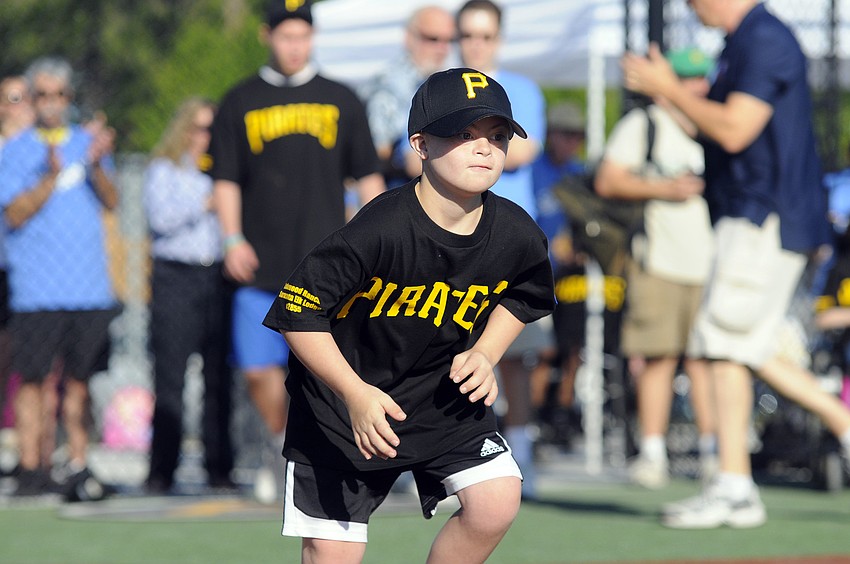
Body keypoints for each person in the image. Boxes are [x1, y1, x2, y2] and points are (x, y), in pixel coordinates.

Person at [263, 66, 555, 564]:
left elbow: (523, 296)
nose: (484, 148)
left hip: (441, 397)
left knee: (496, 497)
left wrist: (485, 353)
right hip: (343, 409)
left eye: (498, 136)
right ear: (420, 144)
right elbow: (298, 313)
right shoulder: (379, 228)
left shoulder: (516, 232)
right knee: (333, 555)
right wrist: (354, 394)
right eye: (464, 134)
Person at [623, 0, 850, 528]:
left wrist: (668, 87)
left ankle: (734, 487)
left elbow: (734, 130)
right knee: (746, 346)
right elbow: (717, 130)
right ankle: (812, 438)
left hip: (761, 217)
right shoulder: (743, 41)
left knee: (722, 344)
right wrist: (666, 91)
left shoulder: (763, 37)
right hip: (750, 215)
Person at [208, 0, 385, 504]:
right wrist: (231, 238)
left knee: (332, 371)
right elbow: (225, 179)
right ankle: (276, 443)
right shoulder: (240, 100)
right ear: (267, 35)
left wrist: (375, 241)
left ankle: (331, 458)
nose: (294, 45)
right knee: (259, 369)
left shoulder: (342, 99)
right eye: (285, 35)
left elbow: (368, 177)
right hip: (261, 265)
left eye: (302, 35)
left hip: (330, 272)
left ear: (313, 36)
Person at [595, 48, 717, 490]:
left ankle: (713, 453)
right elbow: (607, 180)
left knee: (708, 360)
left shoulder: (713, 123)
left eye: (701, 76)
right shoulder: (642, 125)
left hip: (712, 262)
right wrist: (666, 188)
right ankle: (652, 454)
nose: (697, 85)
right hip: (659, 259)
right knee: (659, 357)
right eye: (686, 78)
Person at [0, 56, 118, 498]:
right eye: (42, 95)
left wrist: (97, 164)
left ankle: (79, 464)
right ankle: (32, 465)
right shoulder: (16, 151)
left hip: (88, 289)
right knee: (32, 382)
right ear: (32, 99)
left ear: (70, 98)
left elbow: (111, 201)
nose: (52, 104)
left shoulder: (87, 144)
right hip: (37, 291)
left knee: (81, 385)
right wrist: (50, 178)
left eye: (60, 95)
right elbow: (13, 212)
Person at [450, 0, 548, 499]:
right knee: (443, 345)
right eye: (468, 34)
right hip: (450, 241)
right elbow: (411, 151)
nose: (476, 44)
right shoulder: (439, 89)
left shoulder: (522, 90)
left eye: (485, 36)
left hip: (507, 241)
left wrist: (463, 145)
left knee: (512, 354)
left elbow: (527, 148)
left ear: (499, 39)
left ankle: (521, 446)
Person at [142, 97, 235, 494]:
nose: (206, 138)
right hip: (175, 277)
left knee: (219, 378)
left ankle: (219, 468)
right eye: (199, 129)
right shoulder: (165, 170)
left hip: (216, 276)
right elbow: (160, 220)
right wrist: (205, 202)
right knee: (170, 378)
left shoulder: (226, 171)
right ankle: (162, 470)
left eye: (212, 130)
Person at [529, 101, 587, 431]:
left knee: (573, 346)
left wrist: (578, 246)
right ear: (551, 135)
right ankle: (535, 415)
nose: (570, 142)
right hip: (540, 270)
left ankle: (562, 410)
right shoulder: (533, 170)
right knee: (543, 349)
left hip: (572, 273)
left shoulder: (580, 173)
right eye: (565, 134)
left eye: (577, 135)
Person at [358, 5, 456, 188]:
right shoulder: (388, 87)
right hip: (399, 196)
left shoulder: (447, 82)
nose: (442, 49)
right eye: (433, 39)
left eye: (449, 40)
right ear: (409, 38)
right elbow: (374, 156)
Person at [0, 75, 34, 464]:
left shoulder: (45, 150)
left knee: (30, 366)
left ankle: (35, 452)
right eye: (11, 100)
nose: (19, 108)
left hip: (32, 277)